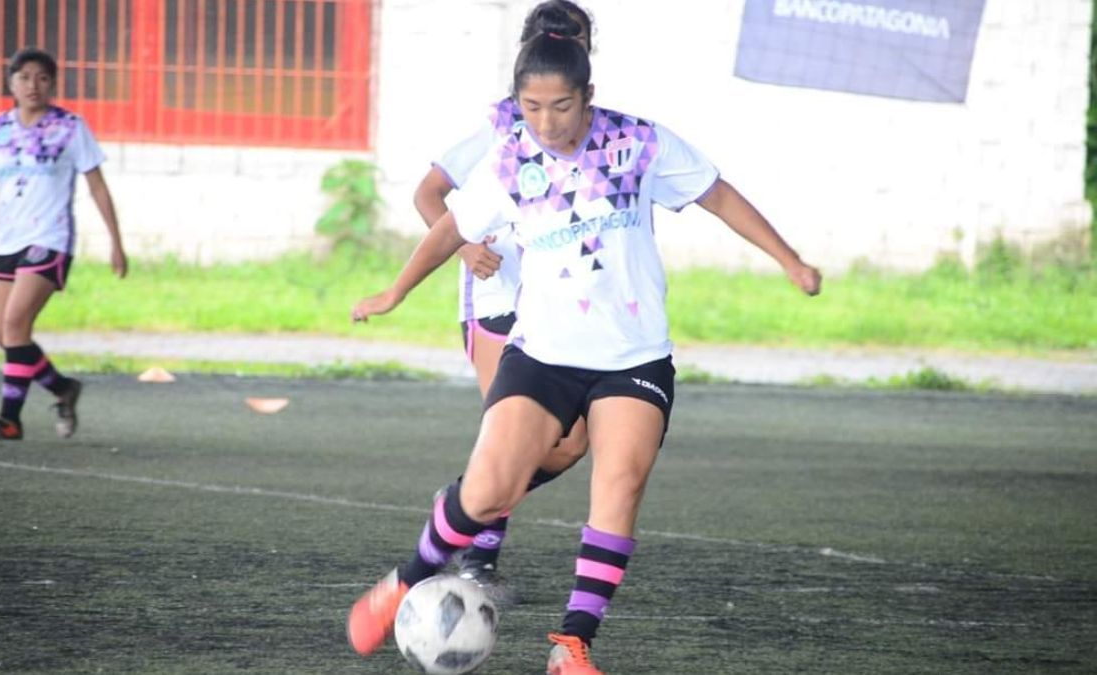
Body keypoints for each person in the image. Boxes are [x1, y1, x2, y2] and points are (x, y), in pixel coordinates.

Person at [348, 7, 821, 673]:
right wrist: (395, 291)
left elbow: (718, 195)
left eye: (562, 106)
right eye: (533, 106)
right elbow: (450, 226)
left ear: (588, 97)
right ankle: (404, 578)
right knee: (486, 491)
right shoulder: (509, 157)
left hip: (635, 357)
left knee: (619, 481)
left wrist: (789, 259)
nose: (547, 122)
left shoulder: (641, 143)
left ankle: (573, 644)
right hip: (542, 356)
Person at [412, 0, 595, 599]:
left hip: (562, 306)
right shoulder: (497, 135)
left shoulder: (605, 135)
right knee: (512, 434)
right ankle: (477, 558)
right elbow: (431, 193)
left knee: (570, 443)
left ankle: (464, 501)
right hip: (496, 299)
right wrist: (464, 249)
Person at [0, 47, 128, 441]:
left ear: (53, 84)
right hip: (8, 241)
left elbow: (97, 186)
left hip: (50, 239)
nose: (33, 85)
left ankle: (9, 420)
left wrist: (116, 241)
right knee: (5, 336)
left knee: (14, 325)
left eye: (42, 78)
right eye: (24, 77)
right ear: (11, 83)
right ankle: (63, 388)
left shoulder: (70, 128)